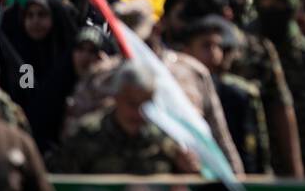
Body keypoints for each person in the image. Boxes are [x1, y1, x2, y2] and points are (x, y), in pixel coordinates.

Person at [50, 62, 201, 175]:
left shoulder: (167, 139)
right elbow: (64, 185)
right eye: (132, 104)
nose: (138, 113)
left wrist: (188, 169)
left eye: (146, 105)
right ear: (116, 98)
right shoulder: (86, 135)